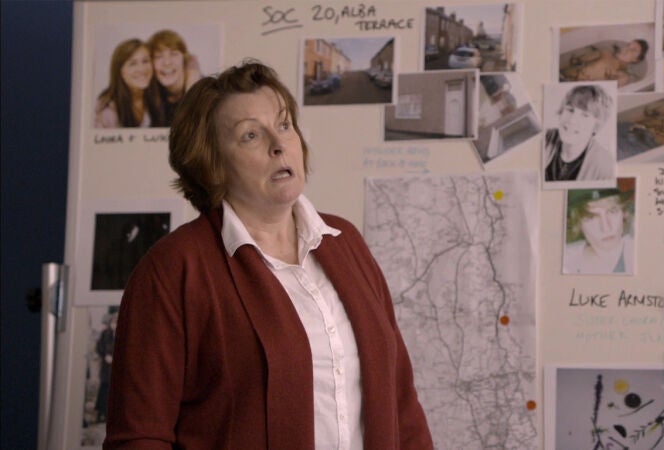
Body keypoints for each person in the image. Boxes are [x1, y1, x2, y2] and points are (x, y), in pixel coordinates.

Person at [104, 60, 433, 449]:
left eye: (284, 125)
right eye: (250, 135)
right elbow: (140, 436)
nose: (279, 145)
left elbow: (402, 404)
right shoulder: (173, 269)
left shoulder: (346, 243)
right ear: (211, 163)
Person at [544, 84, 614, 182]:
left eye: (585, 115)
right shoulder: (543, 138)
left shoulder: (605, 167)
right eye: (570, 110)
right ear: (561, 112)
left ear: (596, 126)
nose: (572, 120)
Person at [563, 179, 635, 275]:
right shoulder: (564, 261)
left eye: (612, 211)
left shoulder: (640, 253)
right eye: (592, 217)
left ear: (623, 213)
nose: (606, 228)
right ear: (578, 223)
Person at [94, 38, 165, 128]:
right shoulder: (107, 111)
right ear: (120, 71)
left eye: (145, 61)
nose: (141, 69)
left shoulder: (157, 98)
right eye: (133, 64)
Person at [146, 29, 202, 126]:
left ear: (184, 59)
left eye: (174, 54)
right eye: (158, 56)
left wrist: (191, 92)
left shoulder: (203, 88)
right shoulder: (149, 92)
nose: (167, 62)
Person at [560, 39, 649, 87]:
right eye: (628, 45)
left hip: (576, 89)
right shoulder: (605, 53)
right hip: (563, 78)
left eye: (633, 50)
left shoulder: (623, 76)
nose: (627, 49)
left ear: (636, 60)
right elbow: (575, 61)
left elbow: (605, 90)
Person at [94, 309, 118, 423]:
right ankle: (101, 413)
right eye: (114, 321)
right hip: (106, 367)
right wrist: (105, 355)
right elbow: (99, 347)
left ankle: (110, 414)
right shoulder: (105, 333)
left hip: (116, 368)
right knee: (104, 390)